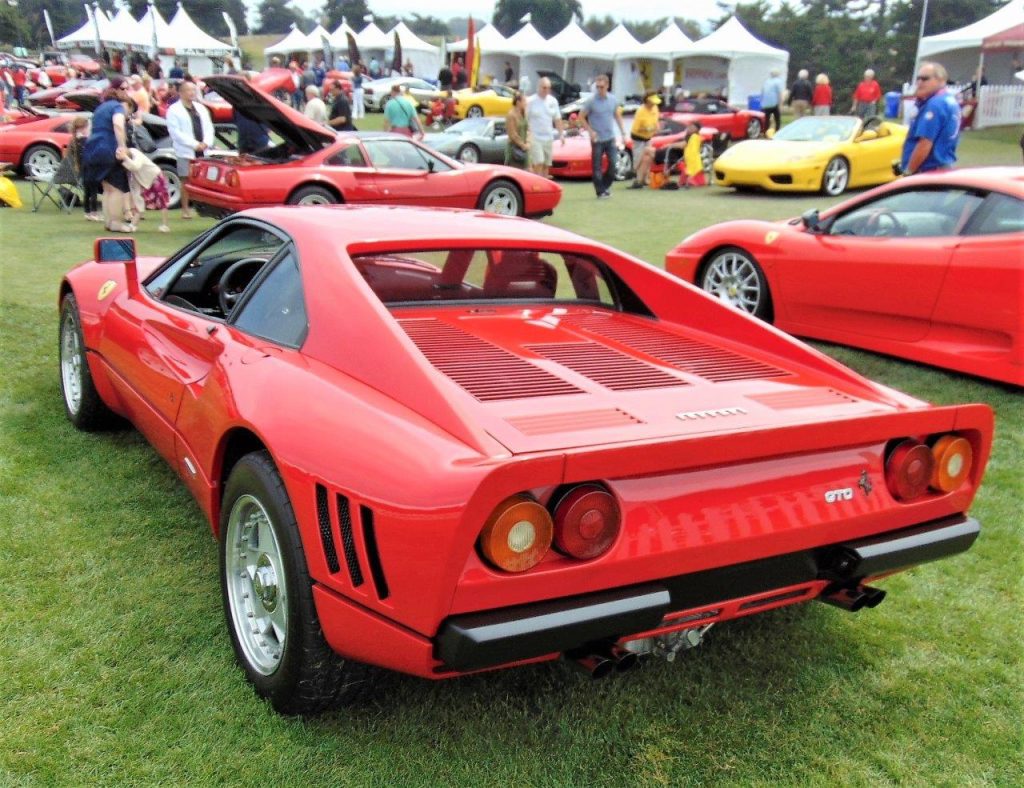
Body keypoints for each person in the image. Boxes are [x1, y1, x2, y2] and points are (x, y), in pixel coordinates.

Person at [82, 77, 133, 232]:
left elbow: (91, 129)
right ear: (116, 91)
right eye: (123, 89)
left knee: (107, 188)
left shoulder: (100, 108)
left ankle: (109, 222)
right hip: (108, 147)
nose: (126, 92)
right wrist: (122, 146)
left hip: (94, 148)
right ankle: (116, 222)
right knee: (117, 188)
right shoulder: (117, 107)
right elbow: (118, 125)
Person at [900, 62, 960, 176]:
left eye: (925, 79)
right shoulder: (948, 100)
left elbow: (925, 143)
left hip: (928, 170)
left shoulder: (935, 105)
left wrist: (909, 171)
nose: (919, 82)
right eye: (918, 79)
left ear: (941, 80)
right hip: (943, 166)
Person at [166, 80, 213, 219]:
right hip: (186, 150)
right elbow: (176, 132)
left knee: (203, 180)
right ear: (180, 92)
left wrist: (206, 142)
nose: (192, 93)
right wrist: (194, 144)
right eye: (188, 90)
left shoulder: (200, 108)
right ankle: (185, 209)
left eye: (193, 90)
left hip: (203, 149)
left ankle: (203, 207)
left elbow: (209, 127)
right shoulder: (174, 110)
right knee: (186, 179)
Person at [579, 74, 626, 199]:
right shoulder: (591, 101)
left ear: (607, 86)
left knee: (613, 163)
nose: (599, 89)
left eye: (602, 87)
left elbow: (617, 116)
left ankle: (604, 186)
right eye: (597, 87)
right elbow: (581, 117)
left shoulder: (613, 100)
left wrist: (623, 133)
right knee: (597, 166)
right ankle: (600, 191)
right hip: (597, 138)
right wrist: (590, 130)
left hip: (610, 137)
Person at [526, 76, 564, 179]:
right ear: (538, 87)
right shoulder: (530, 101)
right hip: (535, 137)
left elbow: (557, 119)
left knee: (546, 164)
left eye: (548, 88)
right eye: (544, 87)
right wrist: (527, 135)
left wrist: (561, 135)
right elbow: (525, 119)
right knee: (538, 161)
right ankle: (535, 183)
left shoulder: (553, 101)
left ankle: (543, 187)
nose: (546, 90)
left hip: (548, 137)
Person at [628, 91, 660, 189]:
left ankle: (645, 179)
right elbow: (637, 128)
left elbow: (656, 121)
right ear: (647, 101)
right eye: (652, 102)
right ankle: (638, 180)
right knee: (639, 157)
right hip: (638, 137)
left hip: (648, 137)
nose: (654, 104)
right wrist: (647, 128)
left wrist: (655, 128)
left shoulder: (655, 109)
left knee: (648, 158)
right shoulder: (641, 111)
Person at [505, 92, 529, 167]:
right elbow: (512, 134)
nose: (526, 103)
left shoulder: (524, 113)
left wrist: (528, 142)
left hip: (525, 149)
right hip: (514, 149)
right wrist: (522, 145)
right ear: (518, 102)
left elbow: (528, 129)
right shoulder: (511, 115)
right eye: (524, 101)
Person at [761, 68, 785, 132]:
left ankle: (765, 132)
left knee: (767, 119)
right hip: (774, 103)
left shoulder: (766, 81)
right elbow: (780, 93)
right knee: (777, 118)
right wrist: (781, 104)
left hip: (765, 103)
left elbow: (762, 92)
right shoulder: (778, 81)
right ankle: (777, 131)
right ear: (778, 74)